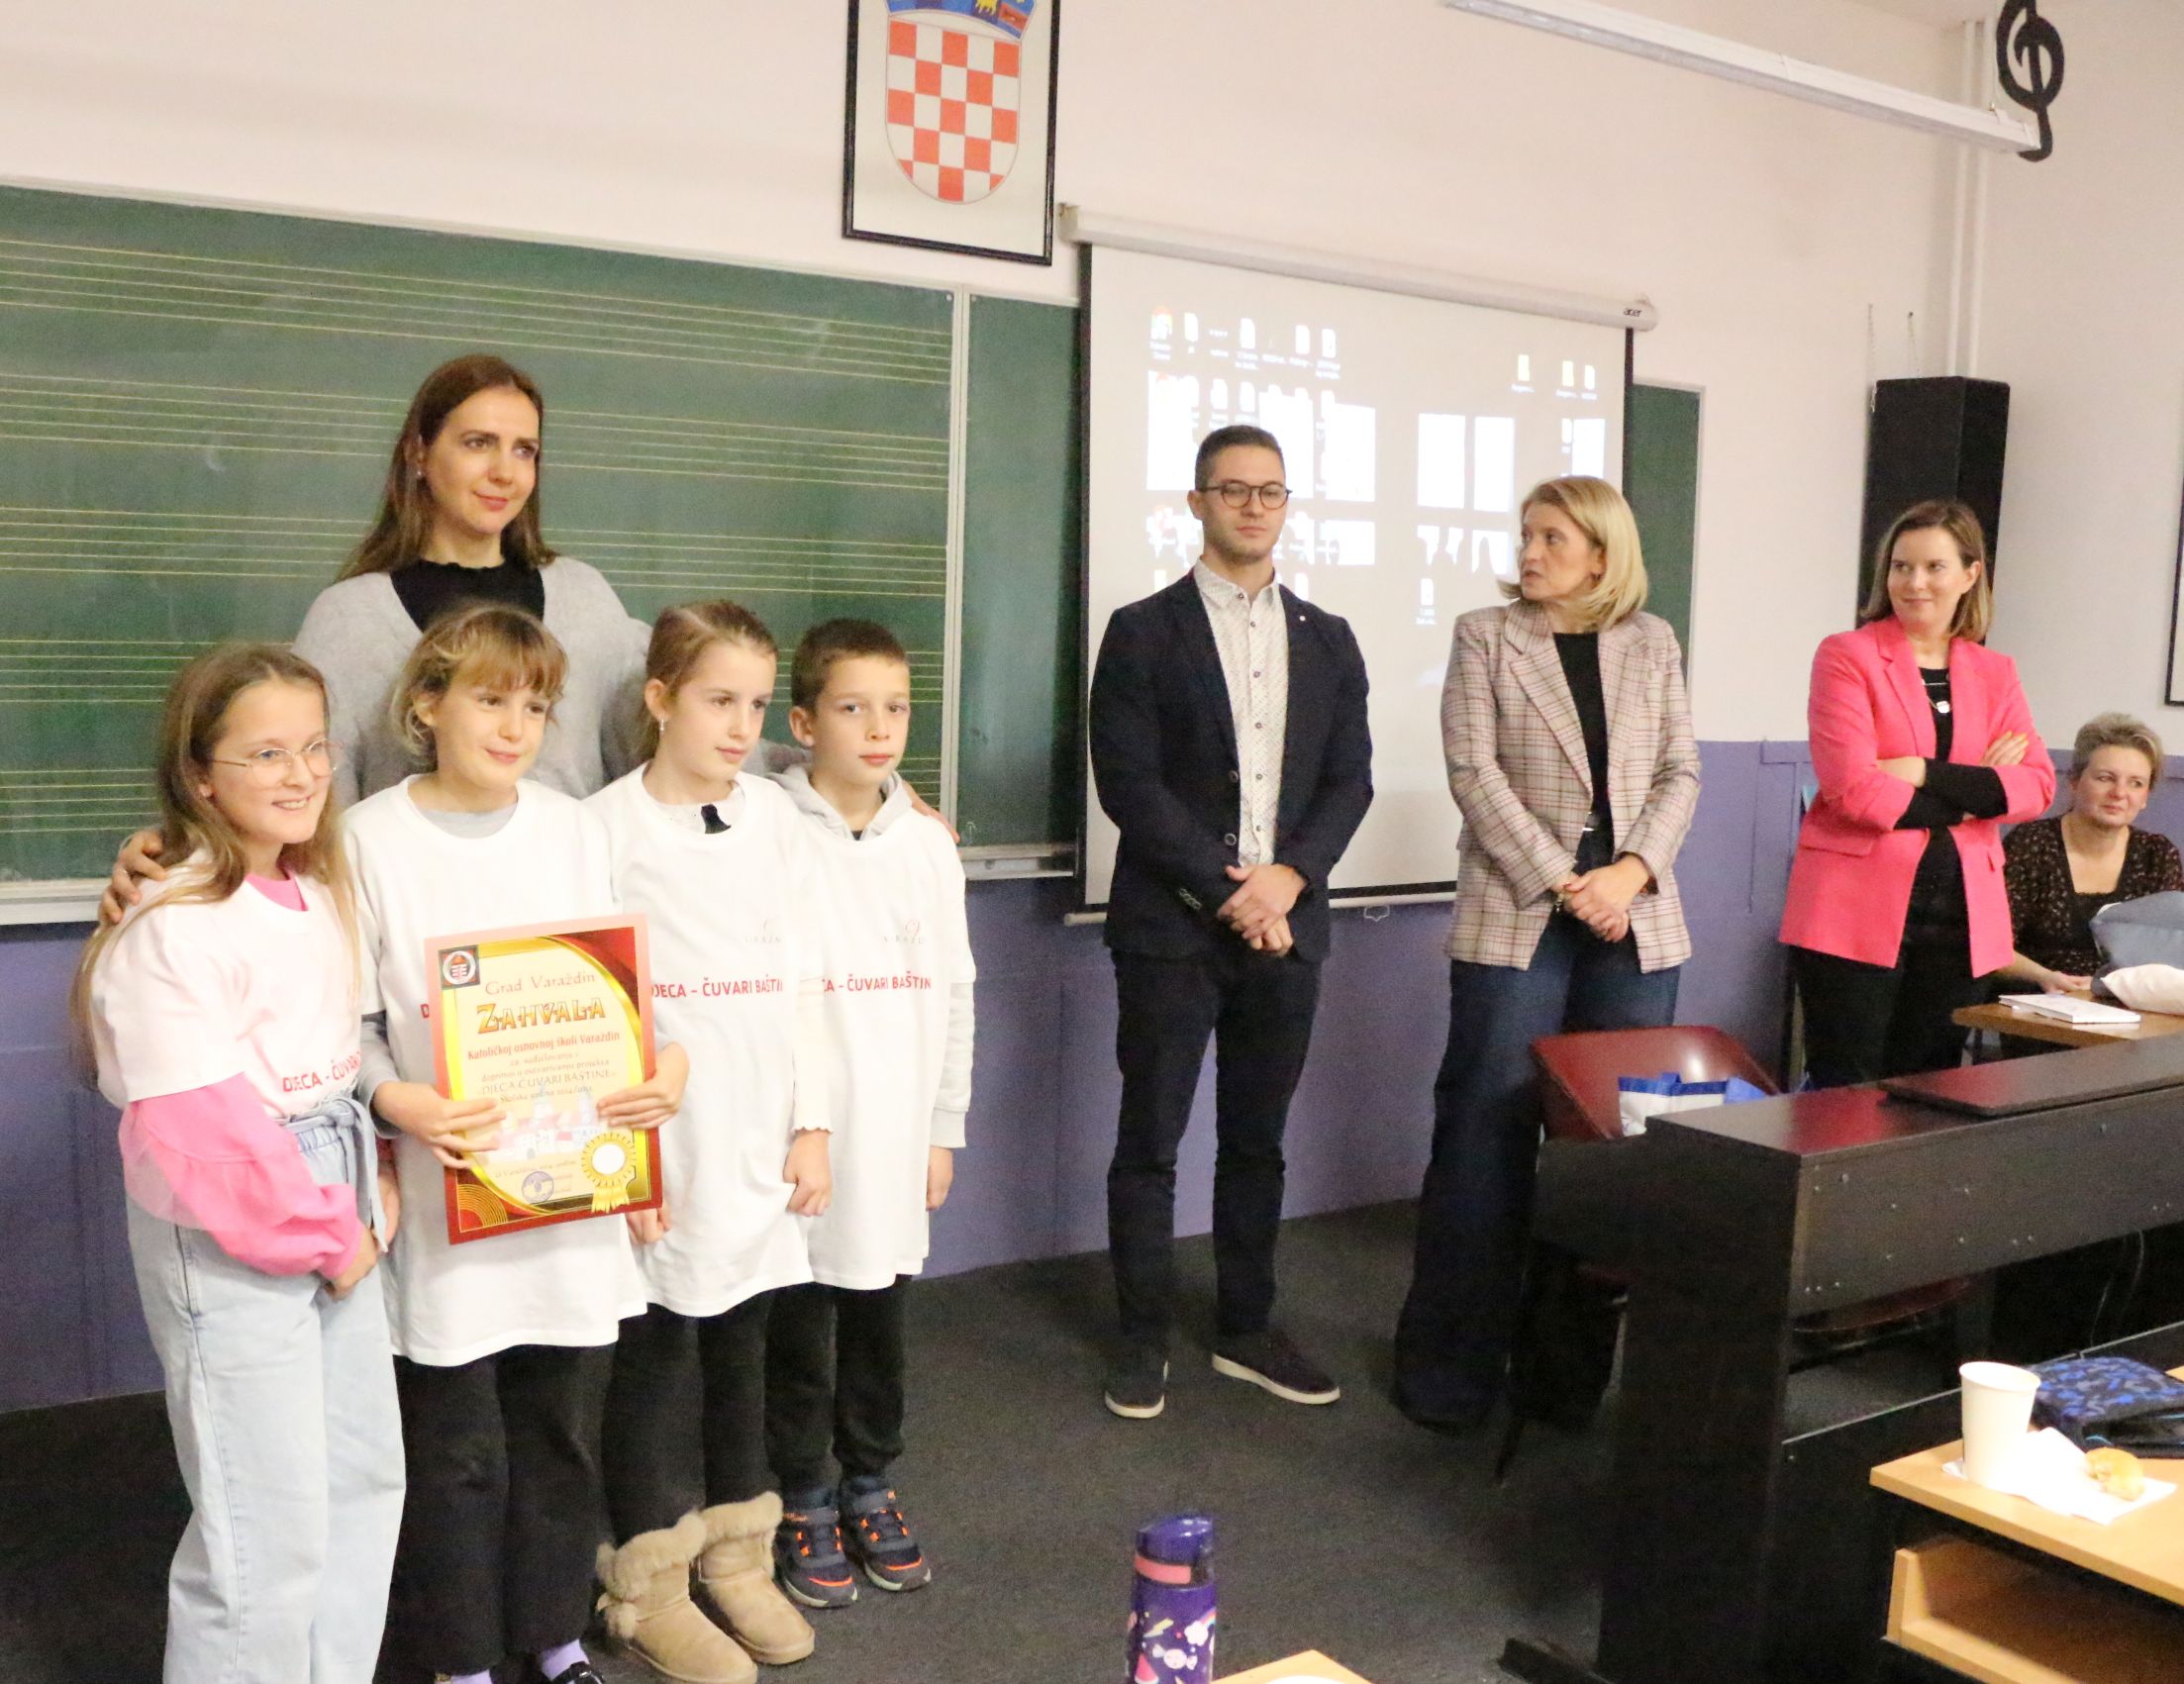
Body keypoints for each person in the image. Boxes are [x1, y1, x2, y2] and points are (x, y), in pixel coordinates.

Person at [346, 603, 686, 1684]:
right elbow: (350, 1025)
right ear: (427, 704)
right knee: (454, 1450)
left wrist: (667, 1070)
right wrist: (396, 1097)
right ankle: (460, 1659)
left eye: (535, 707)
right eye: (489, 698)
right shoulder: (367, 838)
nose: (514, 726)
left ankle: (552, 1635)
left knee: (558, 1431)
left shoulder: (572, 829)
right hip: (449, 1195)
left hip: (571, 1195)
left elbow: (627, 999)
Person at [72, 644, 402, 1683]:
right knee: (265, 1527)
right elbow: (201, 1132)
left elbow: (335, 1058)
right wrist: (329, 1235)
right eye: (266, 753)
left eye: (315, 746)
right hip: (242, 1215)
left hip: (333, 1189)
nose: (302, 773)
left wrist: (373, 1178)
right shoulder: (175, 921)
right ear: (200, 775)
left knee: (359, 1484)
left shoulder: (315, 882)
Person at [1391, 476, 1701, 1435]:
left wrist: (1630, 873)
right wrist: (1570, 882)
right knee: (1482, 1140)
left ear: (1602, 554)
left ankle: (1564, 1381)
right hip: (1521, 909)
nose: (1528, 552)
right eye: (1526, 535)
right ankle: (1450, 1375)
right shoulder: (1486, 635)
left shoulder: (1652, 642)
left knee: (1605, 1154)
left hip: (1634, 918)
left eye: (1552, 538)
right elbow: (1472, 773)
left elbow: (1680, 770)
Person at [1087, 423, 1372, 1421]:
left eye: (1270, 491)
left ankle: (1246, 1328)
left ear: (1286, 505)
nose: (1253, 506)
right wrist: (1231, 892)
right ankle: (1141, 1339)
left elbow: (1349, 782)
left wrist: (1288, 879)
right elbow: (1129, 784)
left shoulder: (1328, 638)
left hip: (1288, 930)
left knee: (1258, 1142)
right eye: (1233, 489)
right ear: (1197, 503)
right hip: (1170, 932)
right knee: (1150, 1141)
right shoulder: (1141, 631)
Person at [589, 602, 832, 1684]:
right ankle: (649, 1582)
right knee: (657, 1355)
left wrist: (812, 1123)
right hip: (664, 1143)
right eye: (717, 700)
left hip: (760, 1132)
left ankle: (738, 1555)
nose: (742, 726)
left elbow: (804, 981)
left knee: (746, 1343)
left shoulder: (776, 819)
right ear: (660, 699)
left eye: (756, 703)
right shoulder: (603, 829)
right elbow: (595, 1005)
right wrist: (626, 1168)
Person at [763, 618, 976, 1606]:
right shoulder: (768, 831)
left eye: (896, 708)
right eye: (852, 708)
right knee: (800, 1318)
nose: (879, 728)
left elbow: (958, 991)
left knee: (879, 1314)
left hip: (896, 1131)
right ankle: (800, 1490)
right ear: (804, 722)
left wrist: (943, 1127)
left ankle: (868, 1478)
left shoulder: (928, 845)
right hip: (804, 1130)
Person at [1780, 499, 2053, 1088]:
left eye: (1934, 567)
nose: (1914, 583)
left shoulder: (1995, 671)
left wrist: (1920, 770)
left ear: (1970, 575)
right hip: (1852, 905)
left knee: (1931, 1088)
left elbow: (2036, 787)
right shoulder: (1847, 655)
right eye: (1901, 567)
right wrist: (1977, 790)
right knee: (1847, 1089)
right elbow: (1855, 791)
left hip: (1962, 913)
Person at [1998, 714, 2182, 993]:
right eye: (2105, 778)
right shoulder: (2031, 844)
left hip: (2124, 1003)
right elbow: (1991, 946)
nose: (2119, 793)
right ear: (2074, 781)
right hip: (2035, 998)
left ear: (2145, 796)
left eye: (2136, 783)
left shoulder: (2157, 855)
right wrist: (2044, 976)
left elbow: (2166, 957)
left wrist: (2105, 986)